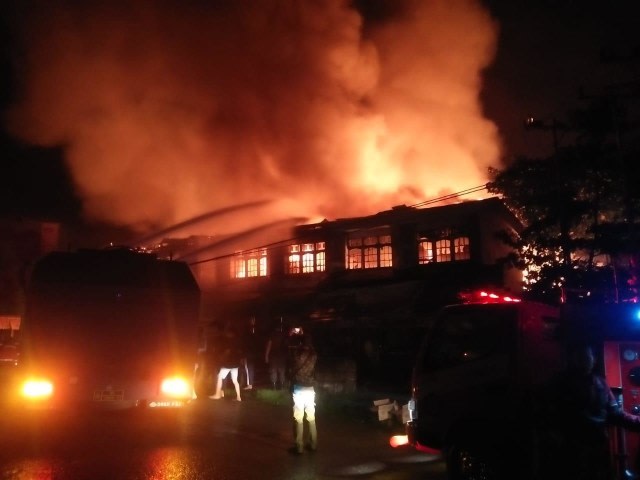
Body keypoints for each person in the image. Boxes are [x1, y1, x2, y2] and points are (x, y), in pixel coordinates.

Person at [535, 343, 640, 480]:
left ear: (593, 359)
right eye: (580, 356)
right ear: (572, 359)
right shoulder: (557, 383)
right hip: (568, 450)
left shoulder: (600, 383)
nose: (584, 360)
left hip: (596, 448)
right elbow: (543, 414)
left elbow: (615, 414)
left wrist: (637, 421)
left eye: (587, 356)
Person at [288, 328, 318, 454]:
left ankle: (298, 446)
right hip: (310, 387)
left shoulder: (297, 353)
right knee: (311, 417)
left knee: (298, 417)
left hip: (299, 387)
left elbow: (292, 366)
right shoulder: (314, 354)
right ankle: (313, 444)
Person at [210, 322, 244, 401]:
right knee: (235, 381)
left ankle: (217, 394)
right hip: (235, 364)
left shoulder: (229, 342)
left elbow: (227, 352)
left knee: (219, 377)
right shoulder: (237, 341)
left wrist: (222, 359)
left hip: (228, 364)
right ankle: (239, 397)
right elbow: (239, 352)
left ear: (230, 333)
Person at [265, 322, 288, 390]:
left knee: (273, 371)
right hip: (282, 356)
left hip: (273, 355)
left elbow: (269, 345)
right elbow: (286, 345)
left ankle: (274, 386)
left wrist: (266, 355)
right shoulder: (284, 334)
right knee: (282, 371)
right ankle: (282, 386)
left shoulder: (272, 335)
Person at [242, 316, 260, 390]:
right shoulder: (255, 330)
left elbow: (247, 342)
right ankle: (250, 384)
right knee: (250, 368)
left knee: (249, 368)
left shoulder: (249, 330)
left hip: (249, 353)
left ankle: (249, 385)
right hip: (253, 352)